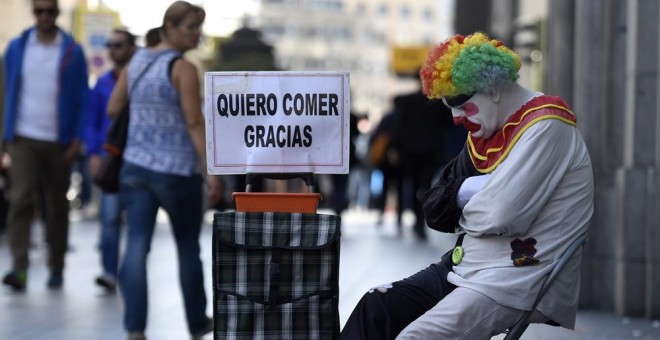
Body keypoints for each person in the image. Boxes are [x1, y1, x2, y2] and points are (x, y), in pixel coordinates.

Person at [340, 32, 594, 339]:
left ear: (494, 88)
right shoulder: (484, 134)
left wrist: (468, 206)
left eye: (461, 102)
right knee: (376, 307)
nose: (456, 118)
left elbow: (502, 215)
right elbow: (435, 206)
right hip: (467, 266)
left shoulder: (547, 126)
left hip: (514, 279)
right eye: (448, 105)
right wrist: (470, 191)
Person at [106, 1, 220, 339]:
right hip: (177, 172)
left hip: (135, 168)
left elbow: (114, 108)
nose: (197, 34)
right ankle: (198, 322)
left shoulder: (136, 61)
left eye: (199, 26)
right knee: (187, 248)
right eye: (191, 27)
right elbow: (194, 121)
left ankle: (135, 328)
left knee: (137, 246)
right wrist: (209, 171)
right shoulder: (182, 68)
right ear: (169, 27)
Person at [1, 0, 89, 291]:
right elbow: (4, 91)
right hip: (23, 138)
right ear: (33, 13)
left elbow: (81, 99)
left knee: (56, 207)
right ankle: (19, 268)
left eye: (50, 11)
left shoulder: (72, 52)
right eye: (39, 11)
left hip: (59, 142)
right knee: (21, 199)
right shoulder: (17, 47)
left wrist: (77, 138)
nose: (45, 16)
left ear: (57, 13)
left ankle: (56, 266)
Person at [84, 29, 136, 292]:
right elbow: (92, 122)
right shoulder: (103, 83)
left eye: (118, 45)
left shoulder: (138, 79)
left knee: (137, 222)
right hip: (110, 158)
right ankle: (109, 271)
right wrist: (94, 153)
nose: (112, 49)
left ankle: (131, 271)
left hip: (138, 157)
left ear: (131, 48)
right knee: (110, 217)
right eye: (109, 45)